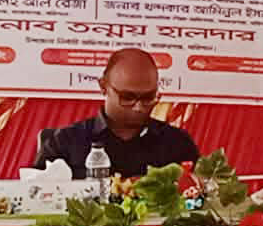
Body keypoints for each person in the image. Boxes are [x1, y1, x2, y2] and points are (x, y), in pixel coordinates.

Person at [33, 48, 199, 179]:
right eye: (127, 97)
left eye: (148, 98)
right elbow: (34, 199)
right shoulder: (64, 144)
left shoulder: (178, 144)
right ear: (103, 87)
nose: (138, 107)